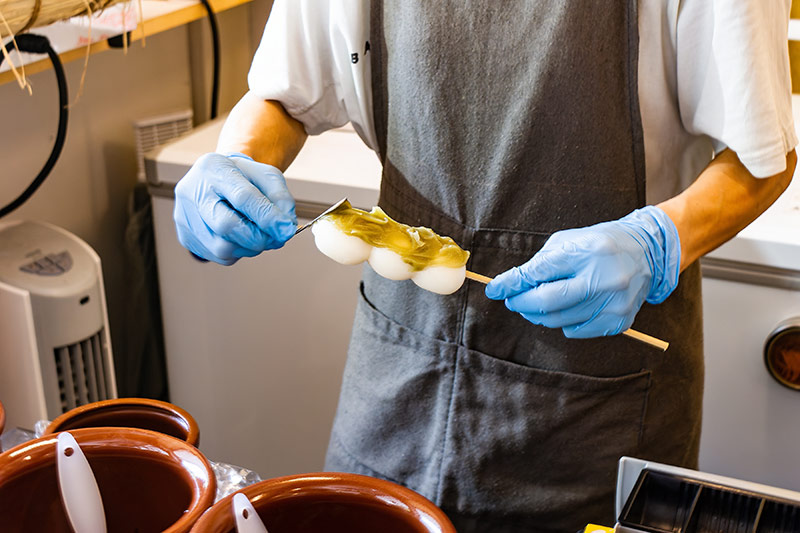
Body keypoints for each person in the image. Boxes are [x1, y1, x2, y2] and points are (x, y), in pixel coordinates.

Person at [173, 1, 797, 531]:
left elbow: (764, 155)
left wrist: (660, 240)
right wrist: (239, 165)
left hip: (599, 387)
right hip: (400, 357)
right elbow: (285, 96)